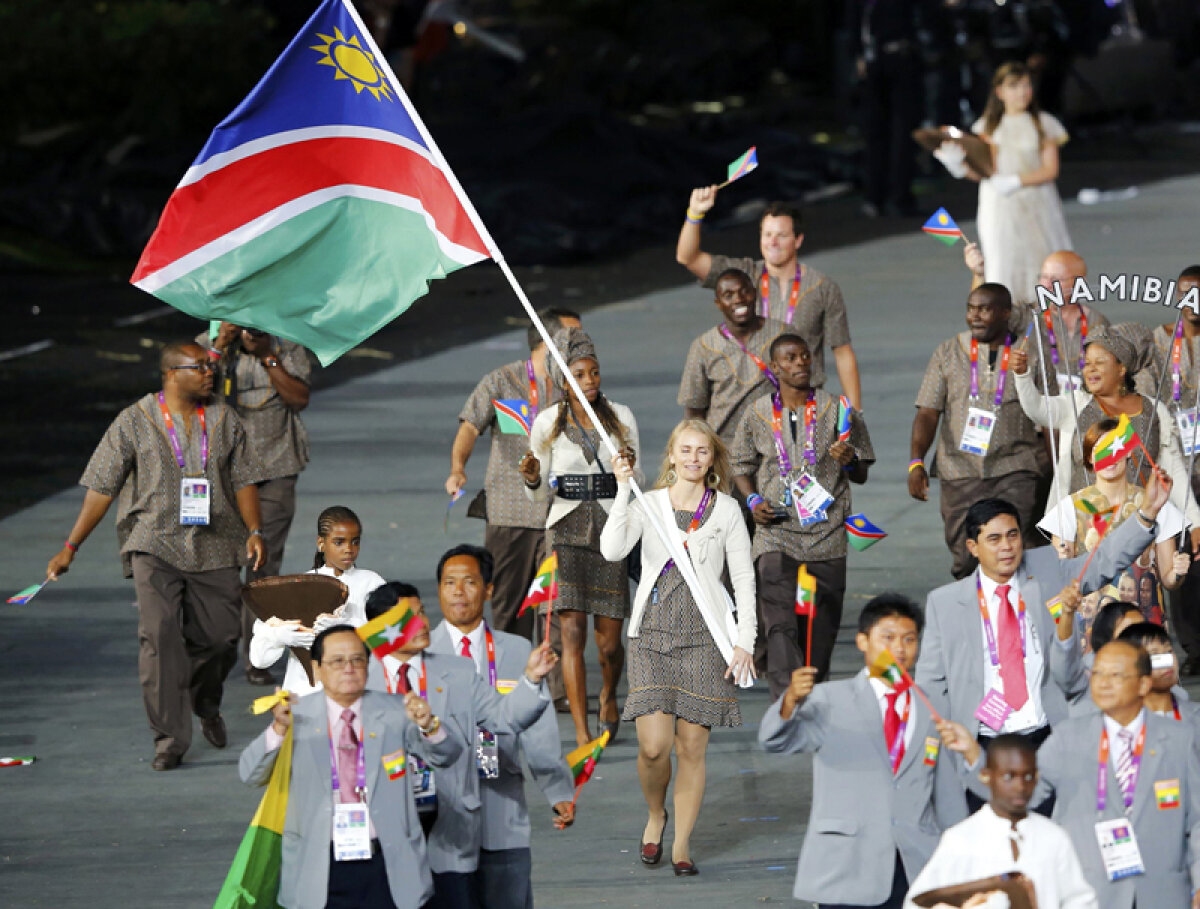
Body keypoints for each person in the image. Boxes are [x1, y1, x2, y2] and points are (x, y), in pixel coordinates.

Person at [45, 341, 268, 771]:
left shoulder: (224, 418)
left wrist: (255, 531)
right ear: (170, 374)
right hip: (153, 542)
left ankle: (206, 702)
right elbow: (102, 487)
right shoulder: (133, 420)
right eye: (199, 367)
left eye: (210, 366)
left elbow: (244, 480)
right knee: (160, 635)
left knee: (222, 639)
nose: (210, 373)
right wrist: (70, 546)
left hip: (218, 541)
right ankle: (169, 738)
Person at [915, 477, 1170, 809]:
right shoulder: (946, 603)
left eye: (1012, 535)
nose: (1006, 547)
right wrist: (939, 747)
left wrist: (1148, 512)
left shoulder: (1046, 569)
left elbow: (1103, 561)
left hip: (1048, 733)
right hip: (983, 742)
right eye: (993, 539)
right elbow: (930, 684)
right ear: (973, 548)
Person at [600, 419, 757, 876]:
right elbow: (612, 550)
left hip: (706, 638)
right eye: (684, 450)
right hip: (652, 634)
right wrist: (623, 489)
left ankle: (682, 843)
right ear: (670, 455)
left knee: (692, 748)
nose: (692, 458)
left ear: (712, 459)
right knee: (654, 746)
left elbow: (744, 578)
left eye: (701, 452)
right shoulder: (649, 505)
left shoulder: (727, 510)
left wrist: (744, 641)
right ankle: (656, 814)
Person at [938, 641, 1200, 909]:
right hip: (1090, 892)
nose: (1103, 683)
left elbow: (1197, 820)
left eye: (1115, 675)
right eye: (1097, 673)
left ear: (1144, 684)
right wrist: (973, 755)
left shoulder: (1179, 739)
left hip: (1162, 893)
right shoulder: (1067, 738)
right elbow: (1019, 797)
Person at [360, 582, 559, 909]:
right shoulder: (359, 681)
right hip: (384, 835)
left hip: (449, 830)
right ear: (382, 629)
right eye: (409, 617)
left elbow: (504, 718)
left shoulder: (459, 672)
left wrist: (531, 680)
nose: (423, 623)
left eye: (421, 612)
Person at [239, 625, 464, 909]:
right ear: (317, 668)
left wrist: (429, 725)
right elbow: (250, 773)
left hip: (388, 862)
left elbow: (447, 755)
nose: (349, 668)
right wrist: (278, 729)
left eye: (357, 659)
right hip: (319, 865)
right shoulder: (294, 716)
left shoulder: (396, 710)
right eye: (337, 661)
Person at [759, 594, 960, 909]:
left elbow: (947, 794)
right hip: (847, 866)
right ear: (863, 641)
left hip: (917, 864)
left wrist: (960, 858)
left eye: (909, 639)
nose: (899, 648)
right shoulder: (830, 699)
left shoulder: (934, 704)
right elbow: (775, 741)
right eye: (888, 638)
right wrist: (788, 703)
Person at [426, 544, 575, 909]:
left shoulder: (515, 650)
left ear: (489, 589)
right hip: (442, 815)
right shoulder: (422, 653)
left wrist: (557, 789)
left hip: (502, 802)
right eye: (449, 583)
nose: (458, 592)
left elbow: (537, 726)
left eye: (470, 582)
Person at [732, 333, 875, 690]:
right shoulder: (757, 412)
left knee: (820, 624)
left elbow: (861, 473)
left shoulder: (839, 409)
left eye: (805, 357)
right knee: (780, 621)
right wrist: (752, 501)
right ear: (776, 367)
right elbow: (740, 464)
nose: (800, 364)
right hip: (776, 532)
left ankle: (816, 690)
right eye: (791, 359)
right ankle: (785, 697)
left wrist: (851, 460)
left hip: (826, 533)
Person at [519, 328, 639, 747]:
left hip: (610, 526)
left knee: (609, 642)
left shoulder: (620, 417)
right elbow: (537, 487)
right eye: (581, 375)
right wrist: (533, 478)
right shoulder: (547, 422)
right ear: (564, 382)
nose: (590, 381)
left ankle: (608, 693)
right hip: (565, 528)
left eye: (595, 373)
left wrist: (628, 469)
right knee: (570, 634)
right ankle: (583, 731)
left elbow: (636, 480)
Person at [446, 306, 581, 652]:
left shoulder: (575, 387)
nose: (582, 344)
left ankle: (555, 690)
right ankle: (511, 680)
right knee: (510, 605)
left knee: (554, 607)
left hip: (561, 513)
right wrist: (458, 468)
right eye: (573, 336)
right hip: (510, 514)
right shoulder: (501, 381)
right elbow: (470, 427)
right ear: (549, 341)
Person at [911, 283, 1051, 578]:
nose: (974, 316)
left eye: (984, 309)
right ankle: (974, 618)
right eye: (970, 309)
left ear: (1005, 313)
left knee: (1012, 552)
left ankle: (1015, 618)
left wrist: (1056, 470)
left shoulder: (1031, 355)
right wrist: (916, 462)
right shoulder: (948, 352)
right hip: (959, 472)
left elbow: (1050, 416)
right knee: (965, 558)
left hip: (1015, 469)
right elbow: (927, 411)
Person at [200, 322, 313, 685]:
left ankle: (257, 658)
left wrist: (267, 356)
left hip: (275, 467)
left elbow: (299, 398)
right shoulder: (206, 345)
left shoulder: (285, 343)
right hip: (222, 474)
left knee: (264, 568)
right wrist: (220, 346)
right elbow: (191, 400)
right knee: (221, 569)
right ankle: (219, 647)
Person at [675, 195, 861, 410]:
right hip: (750, 405)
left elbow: (843, 352)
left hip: (804, 406)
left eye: (781, 235)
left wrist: (855, 413)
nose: (772, 242)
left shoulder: (822, 287)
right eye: (767, 234)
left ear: (798, 239)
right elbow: (688, 258)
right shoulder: (742, 276)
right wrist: (695, 213)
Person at [1013, 330, 1200, 532]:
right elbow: (1037, 409)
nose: (1090, 369)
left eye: (1099, 362)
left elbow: (1174, 470)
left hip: (1141, 526)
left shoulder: (1154, 410)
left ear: (1121, 369)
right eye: (1087, 363)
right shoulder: (1075, 404)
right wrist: (1022, 375)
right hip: (1085, 526)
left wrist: (1196, 523)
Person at [904, 735, 1097, 909]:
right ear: (986, 776)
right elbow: (918, 903)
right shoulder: (961, 839)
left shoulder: (1053, 838)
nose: (1020, 787)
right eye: (1008, 777)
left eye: (1028, 776)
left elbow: (1079, 899)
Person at [941, 62, 1072, 304]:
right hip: (1000, 205)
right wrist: (959, 167)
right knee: (1004, 260)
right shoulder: (988, 127)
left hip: (1037, 202)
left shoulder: (1043, 123)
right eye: (1014, 86)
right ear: (999, 92)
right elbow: (985, 172)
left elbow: (1050, 169)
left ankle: (1049, 324)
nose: (1022, 92)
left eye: (1026, 85)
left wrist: (1016, 180)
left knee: (1042, 260)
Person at [1038, 419, 1191, 607]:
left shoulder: (1157, 503)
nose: (1109, 456)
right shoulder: (1069, 508)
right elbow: (1060, 581)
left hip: (1141, 625)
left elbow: (1169, 580)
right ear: (1089, 458)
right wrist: (1062, 561)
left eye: (1115, 448)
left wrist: (1178, 572)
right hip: (1089, 626)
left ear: (1129, 452)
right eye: (1100, 450)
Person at [1135, 266, 1200, 674]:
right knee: (1182, 557)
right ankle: (1193, 645)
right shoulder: (1156, 343)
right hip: (1175, 467)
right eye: (1186, 293)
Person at [249, 505, 387, 697]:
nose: (349, 549)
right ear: (321, 543)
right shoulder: (297, 586)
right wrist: (280, 636)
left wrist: (349, 629)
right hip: (304, 692)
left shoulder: (372, 583)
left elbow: (393, 638)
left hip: (359, 691)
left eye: (355, 542)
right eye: (339, 542)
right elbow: (259, 659)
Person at [676, 268, 790, 448]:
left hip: (776, 448)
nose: (738, 299)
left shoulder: (784, 335)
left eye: (744, 291)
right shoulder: (704, 346)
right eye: (728, 295)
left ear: (754, 293)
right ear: (718, 303)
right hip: (724, 451)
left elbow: (805, 391)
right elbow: (694, 410)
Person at [847, 0, 930, 218]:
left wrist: (858, 55)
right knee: (899, 131)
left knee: (881, 133)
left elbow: (856, 19)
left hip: (877, 59)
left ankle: (879, 197)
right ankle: (896, 197)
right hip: (895, 58)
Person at [1117, 622, 1200, 727]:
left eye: (1169, 651)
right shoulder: (1116, 726)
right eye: (1154, 655)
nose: (1167, 661)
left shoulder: (1195, 716)